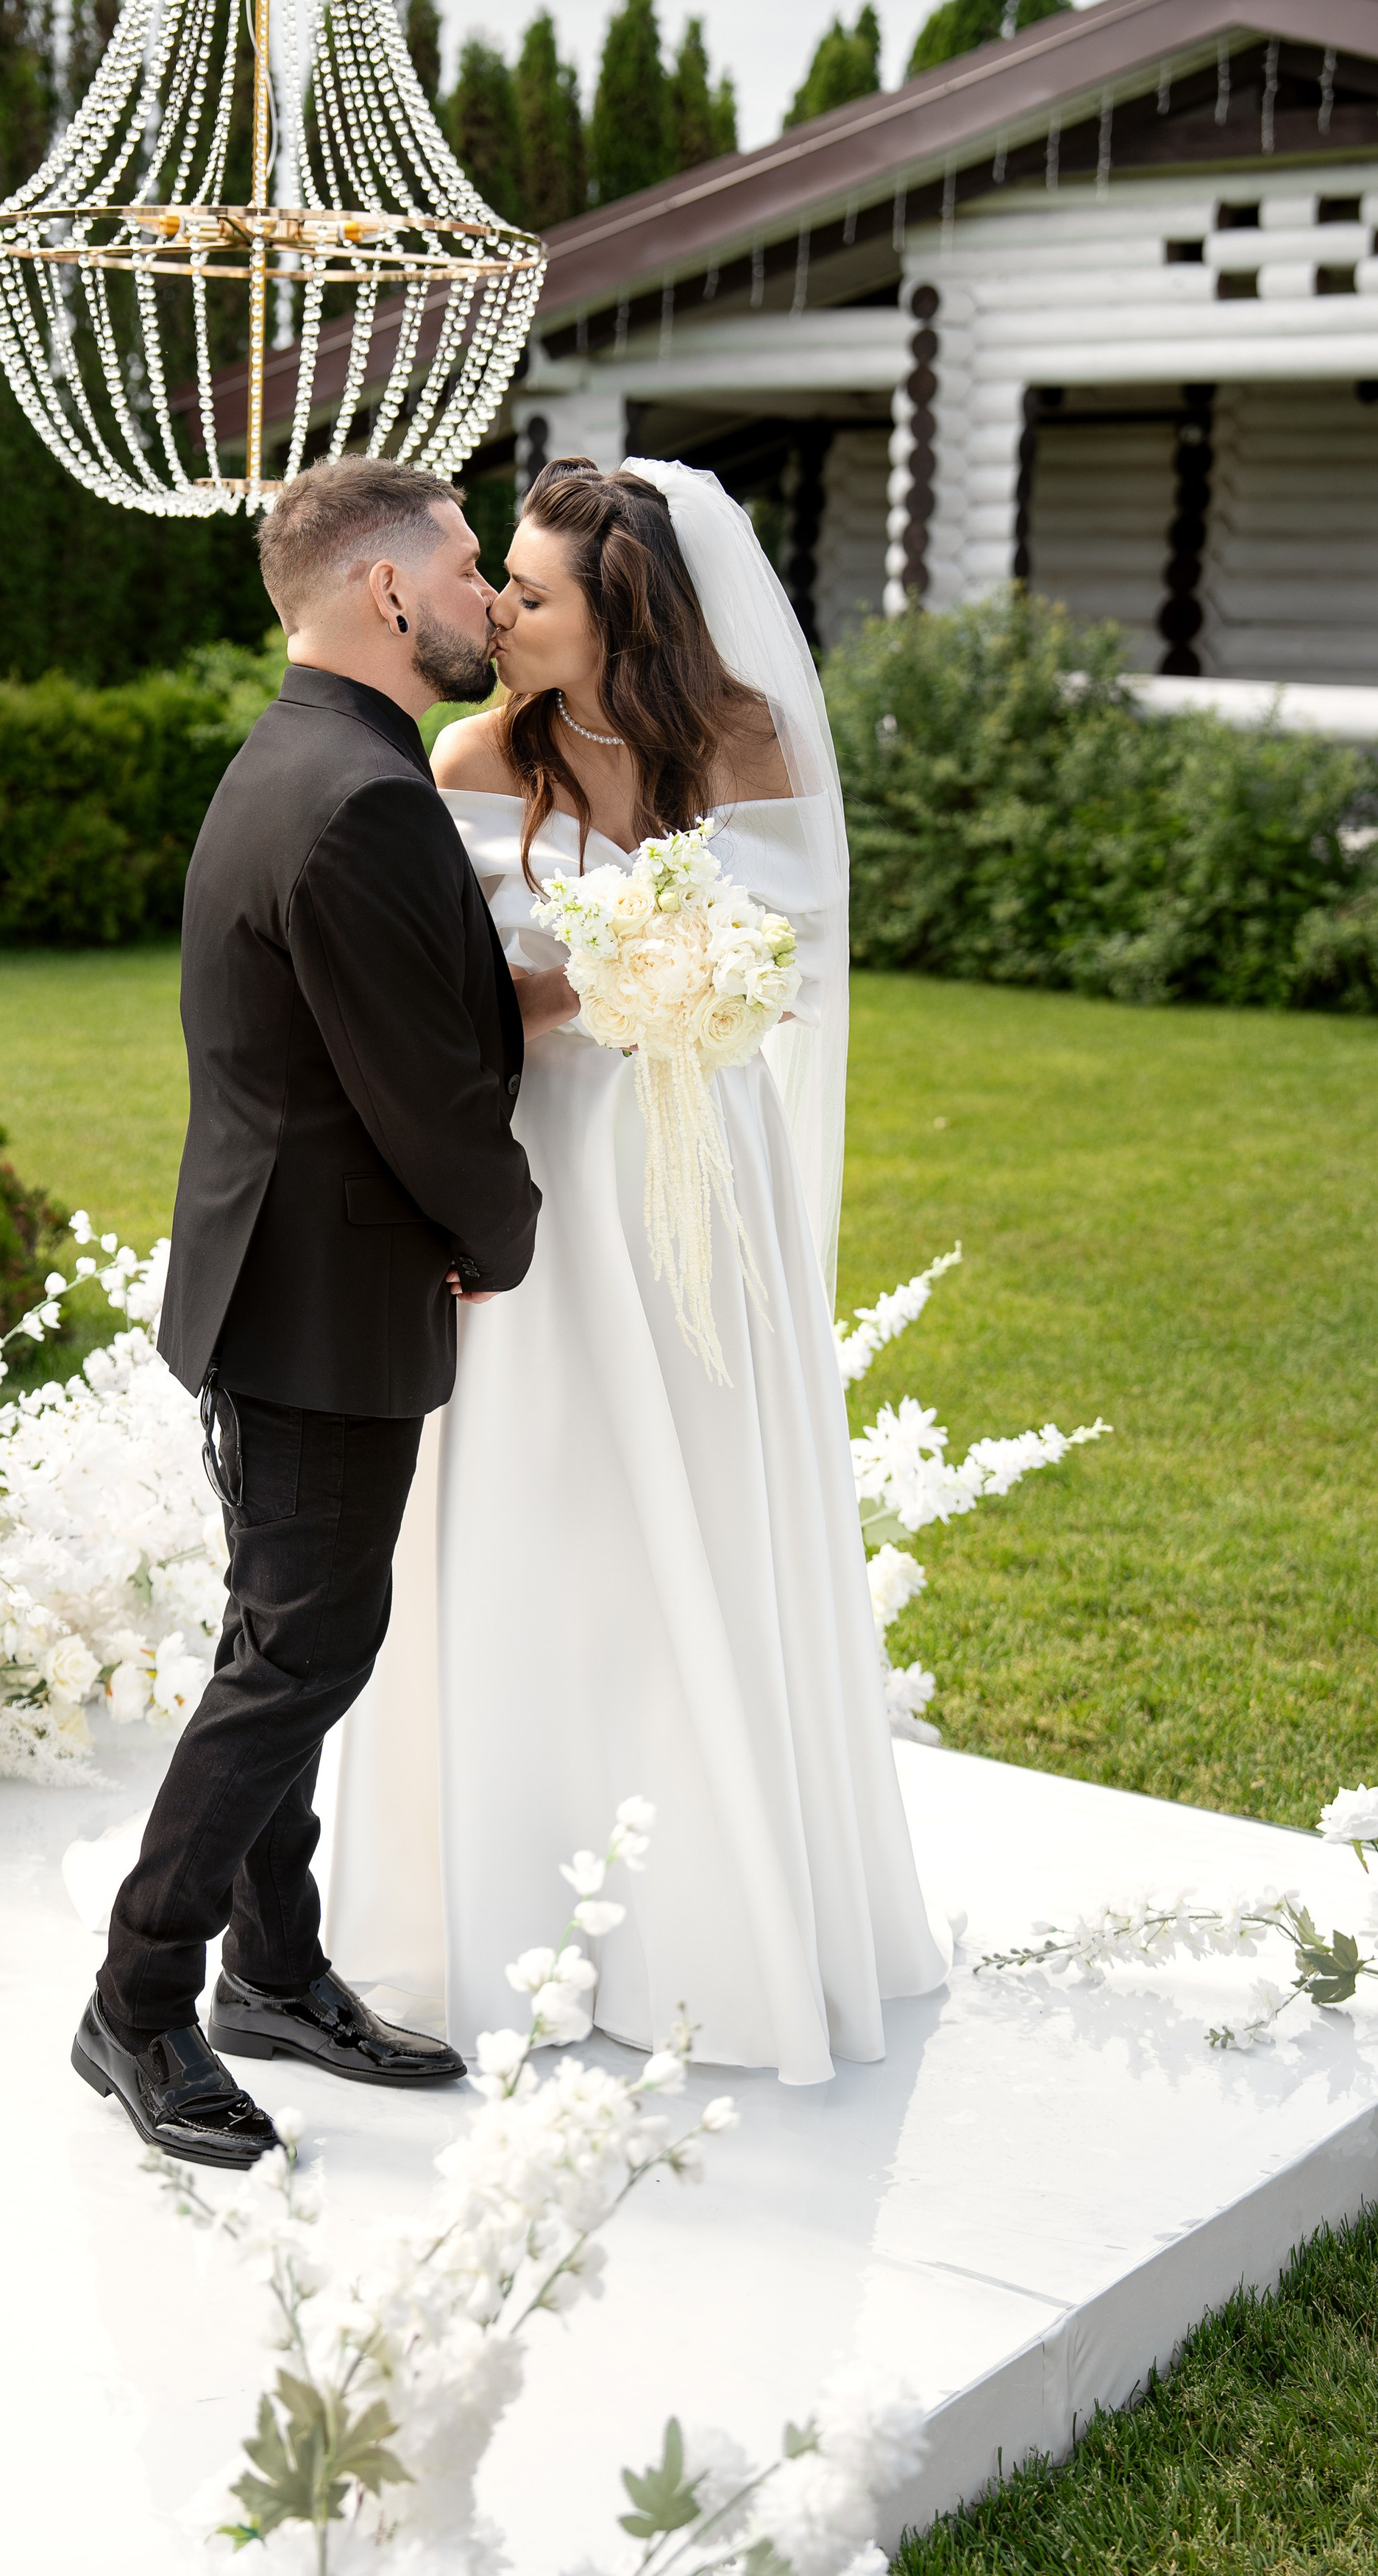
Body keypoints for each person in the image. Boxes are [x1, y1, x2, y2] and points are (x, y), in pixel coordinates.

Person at [322, 458, 949, 2085]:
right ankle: (511, 1901)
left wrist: (672, 977)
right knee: (535, 1503)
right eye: (501, 581)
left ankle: (717, 1916)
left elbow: (790, 960)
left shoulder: (743, 743)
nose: (495, 611)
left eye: (531, 594)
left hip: (693, 1176)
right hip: (534, 1172)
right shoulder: (472, 756)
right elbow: (445, 991)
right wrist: (590, 981)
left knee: (700, 1497)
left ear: (628, 618)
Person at [72, 456, 542, 2167]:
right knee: (300, 1653)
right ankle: (136, 2004)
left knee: (280, 1639)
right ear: (385, 592)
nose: (489, 594)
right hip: (320, 1300)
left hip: (277, 1281)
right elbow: (424, 1089)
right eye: (468, 565)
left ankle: (271, 1972)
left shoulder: (298, 755)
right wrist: (503, 1234)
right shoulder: (359, 797)